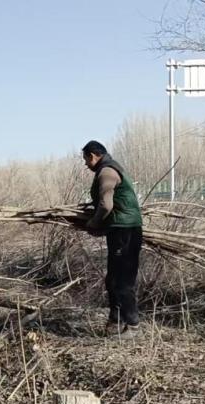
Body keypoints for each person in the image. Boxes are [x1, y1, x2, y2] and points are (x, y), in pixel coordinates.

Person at [81, 140, 143, 338]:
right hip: (121, 229)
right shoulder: (110, 168)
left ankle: (133, 326)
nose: (86, 164)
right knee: (113, 279)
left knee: (122, 280)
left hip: (125, 231)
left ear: (93, 156)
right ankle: (116, 321)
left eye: (86, 159)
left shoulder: (107, 172)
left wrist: (94, 223)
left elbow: (106, 205)